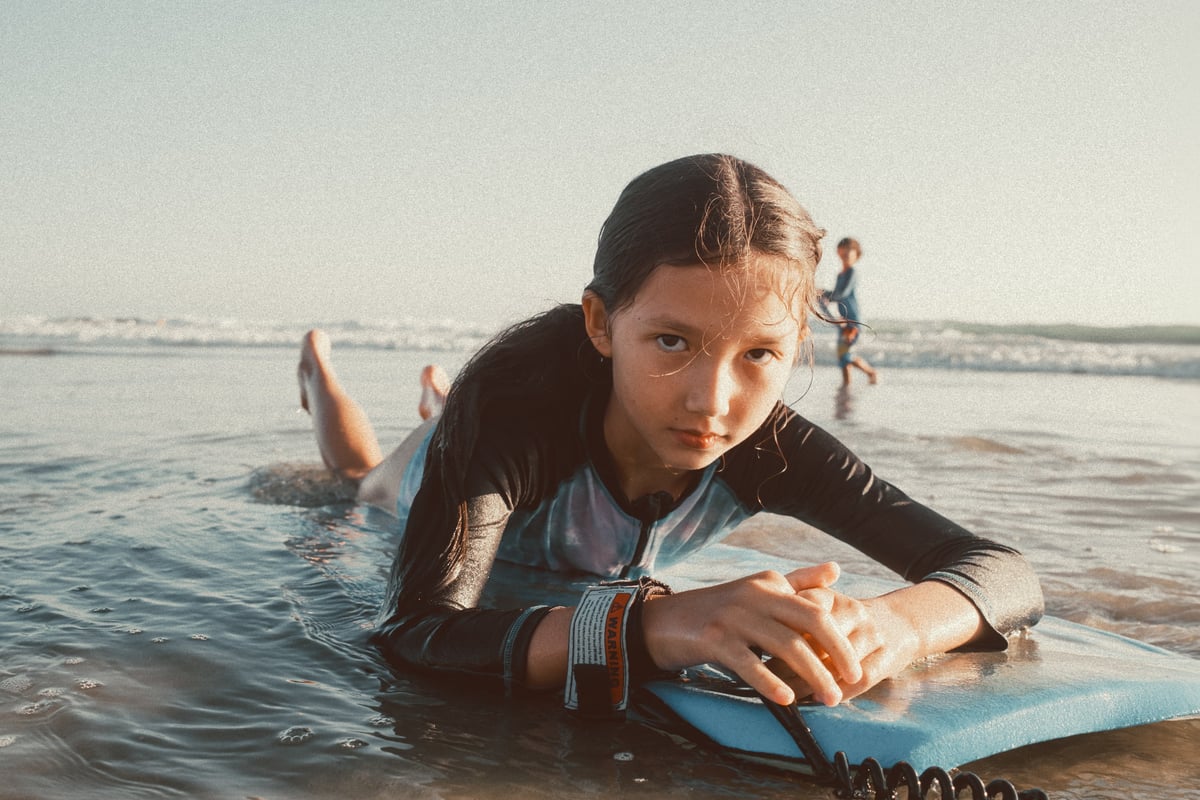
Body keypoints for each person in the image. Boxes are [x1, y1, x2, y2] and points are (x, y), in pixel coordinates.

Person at [297, 154, 1042, 716]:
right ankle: (324, 373)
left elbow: (1003, 572)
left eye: (759, 354)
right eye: (672, 343)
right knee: (357, 478)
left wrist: (895, 628)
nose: (712, 402)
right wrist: (653, 626)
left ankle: (433, 405)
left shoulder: (767, 446)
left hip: (498, 465)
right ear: (601, 323)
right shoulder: (517, 421)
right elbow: (415, 632)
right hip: (441, 472)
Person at [821, 237, 879, 386]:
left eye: (849, 251)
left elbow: (842, 294)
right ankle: (847, 386)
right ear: (838, 252)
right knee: (843, 356)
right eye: (843, 250)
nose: (846, 253)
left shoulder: (852, 273)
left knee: (846, 354)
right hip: (842, 320)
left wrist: (825, 294)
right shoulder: (840, 275)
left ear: (856, 255)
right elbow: (835, 295)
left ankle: (870, 372)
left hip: (853, 321)